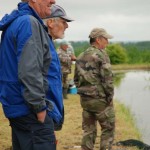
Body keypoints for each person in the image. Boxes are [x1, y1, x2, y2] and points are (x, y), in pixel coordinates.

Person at [0, 0, 66, 149]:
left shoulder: (18, 22)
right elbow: (29, 70)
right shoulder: (28, 23)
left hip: (19, 109)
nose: (53, 1)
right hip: (30, 111)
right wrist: (40, 109)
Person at [74, 28, 115, 150]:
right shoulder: (101, 54)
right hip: (100, 100)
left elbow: (76, 79)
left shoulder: (81, 56)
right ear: (98, 39)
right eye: (106, 39)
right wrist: (110, 97)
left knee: (88, 130)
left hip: (85, 100)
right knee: (108, 129)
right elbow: (108, 80)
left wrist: (83, 92)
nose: (107, 42)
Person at [43, 4, 73, 128]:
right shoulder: (40, 41)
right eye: (64, 21)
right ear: (50, 22)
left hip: (47, 110)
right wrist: (41, 110)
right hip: (42, 111)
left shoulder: (47, 41)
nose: (67, 26)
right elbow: (30, 76)